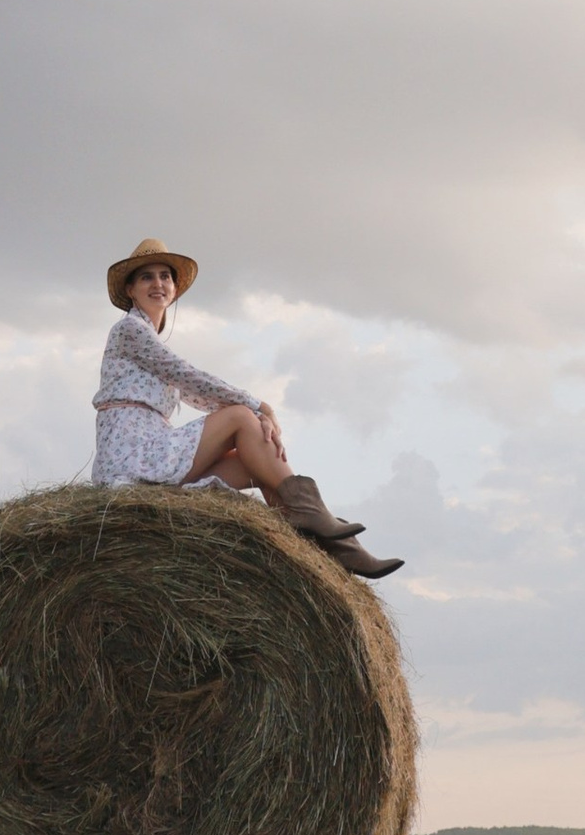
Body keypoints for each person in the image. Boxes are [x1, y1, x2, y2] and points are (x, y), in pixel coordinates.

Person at [89, 237, 402, 579]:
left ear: (175, 289)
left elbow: (195, 393)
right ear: (131, 290)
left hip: (155, 458)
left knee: (254, 460)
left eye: (165, 276)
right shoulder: (129, 330)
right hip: (131, 460)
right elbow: (186, 375)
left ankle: (328, 557)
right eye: (146, 277)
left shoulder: (149, 340)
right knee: (240, 417)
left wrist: (255, 419)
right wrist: (258, 405)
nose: (158, 283)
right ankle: (324, 528)